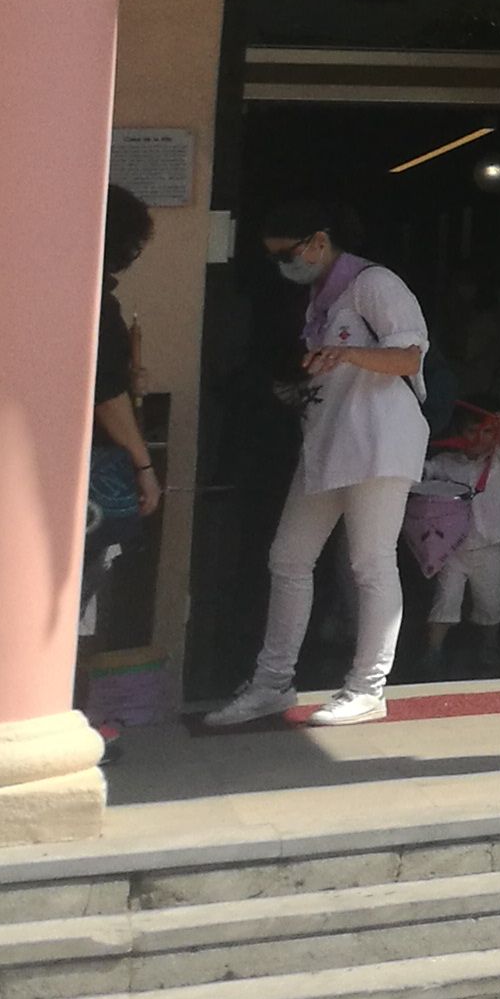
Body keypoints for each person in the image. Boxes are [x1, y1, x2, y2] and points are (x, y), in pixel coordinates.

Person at [200, 198, 431, 732]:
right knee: (287, 558)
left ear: (319, 241)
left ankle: (368, 688)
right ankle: (272, 683)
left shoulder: (375, 283)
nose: (283, 264)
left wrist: (347, 356)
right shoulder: (320, 296)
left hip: (379, 441)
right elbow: (331, 366)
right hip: (328, 440)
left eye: (287, 252)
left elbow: (409, 358)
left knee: (370, 563)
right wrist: (299, 385)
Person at [80, 189, 161, 671]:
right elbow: (106, 396)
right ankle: (70, 719)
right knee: (79, 603)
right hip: (91, 471)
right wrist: (144, 465)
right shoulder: (97, 306)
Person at [413, 405, 500, 671]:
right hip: (451, 550)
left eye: (487, 432)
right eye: (472, 431)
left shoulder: (497, 459)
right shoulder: (443, 463)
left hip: (491, 546)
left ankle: (489, 646)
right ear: (458, 433)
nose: (479, 438)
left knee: (490, 603)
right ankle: (433, 651)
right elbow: (417, 474)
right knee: (445, 601)